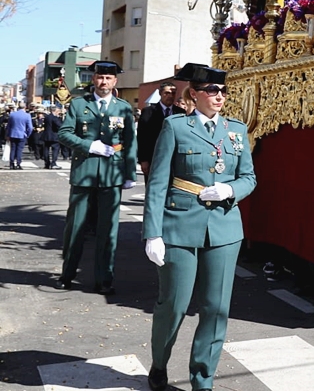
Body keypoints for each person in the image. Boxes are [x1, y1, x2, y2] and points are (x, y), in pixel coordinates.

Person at [143, 63, 256, 391]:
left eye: (222, 91)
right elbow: (158, 181)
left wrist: (230, 190)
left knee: (216, 309)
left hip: (224, 229)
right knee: (174, 305)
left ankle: (202, 381)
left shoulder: (236, 130)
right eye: (211, 90)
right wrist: (153, 232)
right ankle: (159, 363)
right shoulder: (176, 128)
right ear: (194, 94)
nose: (219, 96)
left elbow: (249, 177)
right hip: (179, 226)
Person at [56, 61, 137, 294]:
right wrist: (89, 145)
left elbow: (130, 142)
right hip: (84, 173)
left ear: (115, 82)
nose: (104, 82)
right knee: (75, 228)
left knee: (108, 230)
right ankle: (67, 274)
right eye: (100, 78)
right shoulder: (79, 104)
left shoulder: (123, 108)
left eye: (108, 78)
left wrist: (129, 173)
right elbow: (64, 133)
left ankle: (104, 279)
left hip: (112, 175)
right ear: (94, 80)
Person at [137, 82, 185, 184]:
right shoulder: (148, 112)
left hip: (175, 160)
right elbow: (142, 137)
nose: (170, 96)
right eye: (167, 93)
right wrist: (143, 160)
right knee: (153, 189)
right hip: (153, 158)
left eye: (173, 93)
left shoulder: (181, 113)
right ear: (160, 93)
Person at [6, 102, 32, 169]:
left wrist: (8, 134)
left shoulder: (12, 115)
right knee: (19, 150)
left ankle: (11, 164)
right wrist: (27, 134)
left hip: (13, 134)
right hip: (22, 134)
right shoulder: (27, 115)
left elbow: (8, 126)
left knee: (13, 149)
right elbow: (30, 127)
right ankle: (18, 163)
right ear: (25, 107)